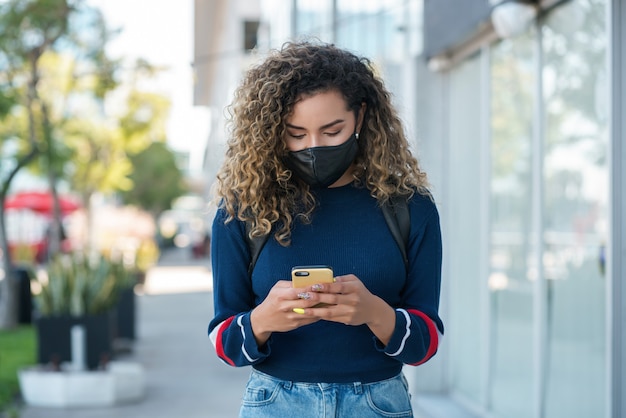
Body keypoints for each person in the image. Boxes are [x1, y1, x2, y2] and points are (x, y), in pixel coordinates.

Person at [208, 40, 444, 418]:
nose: (314, 147)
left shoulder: (410, 208)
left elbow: (426, 343)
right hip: (275, 403)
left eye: (332, 131)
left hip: (378, 404)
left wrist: (373, 312)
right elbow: (223, 342)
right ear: (271, 130)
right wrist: (262, 321)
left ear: (361, 117)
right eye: (296, 134)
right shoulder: (242, 209)